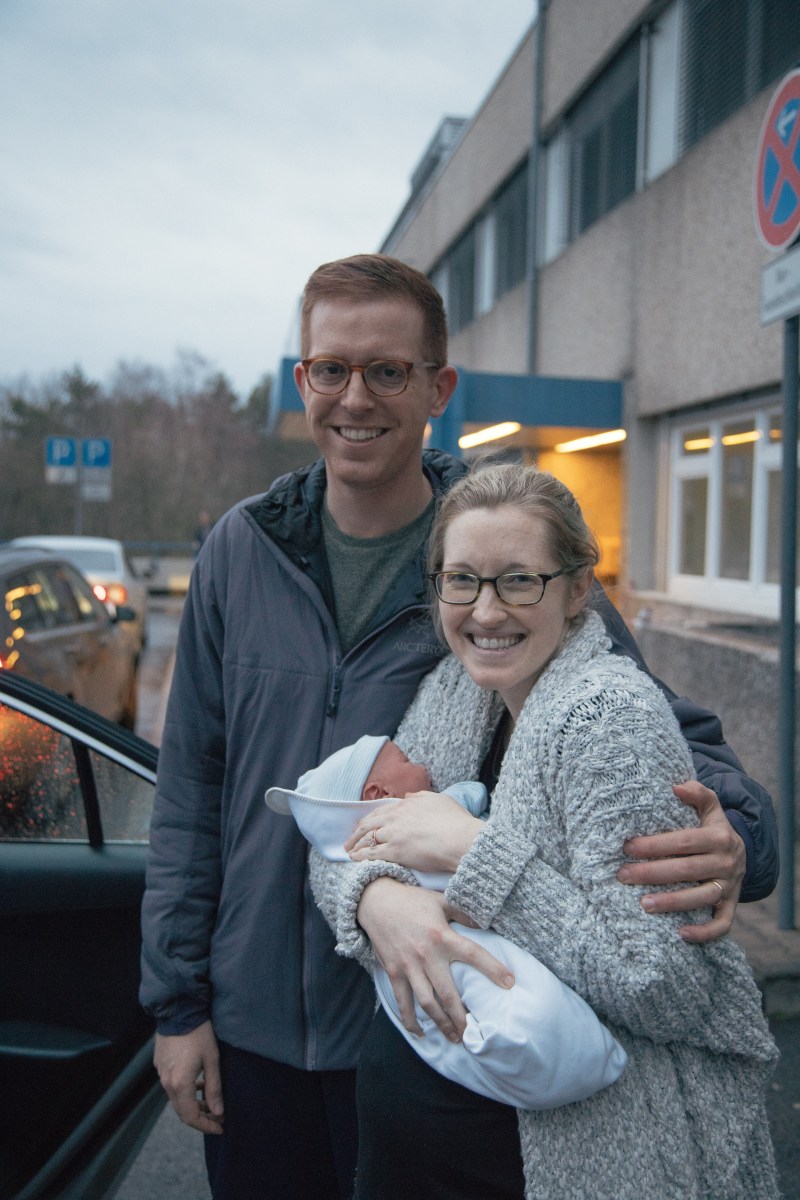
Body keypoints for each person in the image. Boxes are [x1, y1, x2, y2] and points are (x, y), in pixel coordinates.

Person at [139, 254, 778, 1200]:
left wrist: (740, 838)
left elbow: (656, 730)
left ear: (438, 388)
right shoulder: (240, 549)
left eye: (388, 371)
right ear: (304, 380)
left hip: (432, 1029)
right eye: (332, 369)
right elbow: (193, 788)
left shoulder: (501, 553)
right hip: (254, 1024)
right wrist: (177, 1005)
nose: (357, 398)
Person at [312, 464, 779, 1199]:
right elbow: (334, 830)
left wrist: (476, 854)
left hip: (568, 1161)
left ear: (577, 588)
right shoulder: (455, 692)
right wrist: (376, 899)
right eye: (462, 580)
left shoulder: (608, 721)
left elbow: (664, 987)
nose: (486, 610)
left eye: (518, 581)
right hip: (427, 1156)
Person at [265, 735, 627, 1110]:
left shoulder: (360, 844)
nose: (423, 766)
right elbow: (468, 795)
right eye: (407, 761)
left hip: (415, 1064)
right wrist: (373, 897)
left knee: (479, 1006)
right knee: (508, 999)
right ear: (378, 793)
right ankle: (570, 1055)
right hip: (435, 966)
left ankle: (555, 1059)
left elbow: (335, 850)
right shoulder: (412, 817)